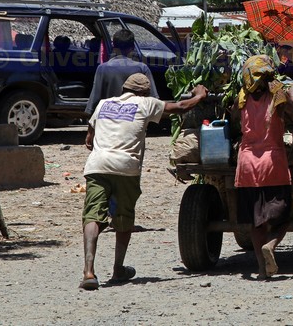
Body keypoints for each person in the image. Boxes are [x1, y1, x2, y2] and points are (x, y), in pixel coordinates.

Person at [80, 74, 208, 290]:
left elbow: (88, 140)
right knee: (123, 218)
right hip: (126, 167)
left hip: (97, 165)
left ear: (124, 89)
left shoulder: (103, 104)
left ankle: (88, 271)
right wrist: (199, 96)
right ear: (144, 92)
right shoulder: (145, 103)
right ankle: (118, 269)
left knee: (92, 214)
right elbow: (180, 107)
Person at [235, 55, 293, 279]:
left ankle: (262, 270)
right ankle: (271, 245)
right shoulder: (276, 95)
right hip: (272, 164)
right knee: (283, 217)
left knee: (256, 221)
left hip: (246, 165)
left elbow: (234, 117)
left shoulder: (241, 97)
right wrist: (285, 90)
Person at [85, 29, 158, 115]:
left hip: (109, 118)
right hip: (134, 118)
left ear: (113, 46)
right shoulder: (142, 68)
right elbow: (153, 99)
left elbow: (95, 99)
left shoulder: (102, 68)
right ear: (133, 47)